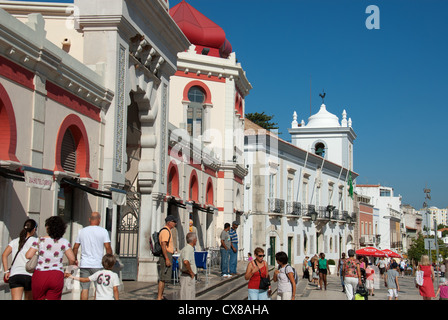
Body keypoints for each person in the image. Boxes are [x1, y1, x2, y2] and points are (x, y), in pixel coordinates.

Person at [26, 216, 76, 300]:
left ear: (48, 228)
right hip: (57, 274)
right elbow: (72, 259)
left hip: (40, 274)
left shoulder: (40, 240)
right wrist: (68, 271)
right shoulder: (64, 242)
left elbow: (28, 255)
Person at [72, 211, 112, 300]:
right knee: (98, 289)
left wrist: (74, 259)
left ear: (89, 220)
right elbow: (108, 247)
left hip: (84, 264)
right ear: (99, 220)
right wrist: (109, 262)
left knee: (85, 289)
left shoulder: (81, 231)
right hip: (98, 265)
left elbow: (75, 247)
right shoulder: (103, 231)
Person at [2, 219, 38, 300]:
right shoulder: (36, 241)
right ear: (34, 229)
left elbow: (4, 255)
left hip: (15, 274)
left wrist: (6, 271)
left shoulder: (15, 241)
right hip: (29, 275)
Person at [157, 215, 177, 300]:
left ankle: (161, 295)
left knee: (164, 278)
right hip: (166, 255)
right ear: (169, 222)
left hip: (168, 254)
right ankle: (159, 297)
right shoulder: (165, 231)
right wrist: (167, 258)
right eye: (174, 222)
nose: (175, 223)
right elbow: (163, 245)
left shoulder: (168, 230)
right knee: (163, 277)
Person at [179, 232, 197, 300]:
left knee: (189, 296)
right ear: (194, 240)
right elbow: (186, 262)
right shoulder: (188, 249)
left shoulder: (187, 248)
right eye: (196, 239)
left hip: (187, 275)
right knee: (187, 296)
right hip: (187, 276)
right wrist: (191, 272)